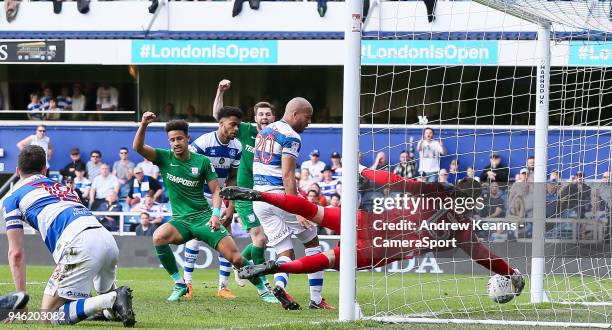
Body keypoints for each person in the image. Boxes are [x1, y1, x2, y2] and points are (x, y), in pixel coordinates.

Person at [225, 167, 525, 301]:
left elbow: (399, 182)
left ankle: (259, 196)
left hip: (369, 220)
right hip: (382, 249)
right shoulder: (464, 232)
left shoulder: (436, 192)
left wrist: (368, 174)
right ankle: (278, 266)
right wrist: (512, 274)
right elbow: (486, 258)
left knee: (312, 210)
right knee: (329, 259)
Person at [132, 113, 270, 303]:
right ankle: (179, 283)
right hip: (181, 221)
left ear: (188, 138)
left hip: (204, 218)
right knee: (159, 237)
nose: (175, 143)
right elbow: (137, 147)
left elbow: (215, 191)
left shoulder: (202, 161)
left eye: (179, 138)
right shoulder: (164, 157)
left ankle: (263, 289)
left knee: (236, 258)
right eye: (172, 140)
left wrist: (215, 214)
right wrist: (143, 125)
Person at [2, 145, 135, 326]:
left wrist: (20, 301)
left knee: (46, 317)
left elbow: (15, 253)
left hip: (79, 244)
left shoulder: (12, 199)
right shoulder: (63, 187)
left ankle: (110, 299)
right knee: (106, 309)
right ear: (45, 170)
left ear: (17, 171)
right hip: (105, 237)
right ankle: (110, 305)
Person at [253, 97, 333, 310]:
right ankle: (316, 299)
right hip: (279, 197)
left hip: (260, 199)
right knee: (313, 242)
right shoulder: (291, 136)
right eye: (307, 117)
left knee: (284, 251)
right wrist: (298, 209)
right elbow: (288, 174)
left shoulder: (264, 131)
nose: (309, 122)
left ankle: (279, 285)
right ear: (294, 114)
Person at [212, 79, 277, 303]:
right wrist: (220, 92)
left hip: (266, 194)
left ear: (273, 118)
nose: (265, 118)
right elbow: (218, 116)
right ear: (255, 118)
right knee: (259, 239)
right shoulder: (245, 131)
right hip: (244, 194)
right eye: (261, 114)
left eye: (268, 114)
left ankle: (241, 266)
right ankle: (261, 279)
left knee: (263, 240)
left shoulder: (278, 136)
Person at [182, 106, 249, 300]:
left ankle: (223, 287)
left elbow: (233, 179)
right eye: (232, 124)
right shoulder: (203, 142)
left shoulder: (237, 147)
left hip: (220, 197)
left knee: (225, 238)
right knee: (194, 237)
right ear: (221, 124)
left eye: (238, 125)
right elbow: (188, 166)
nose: (236, 129)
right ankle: (187, 285)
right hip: (198, 196)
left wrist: (230, 206)